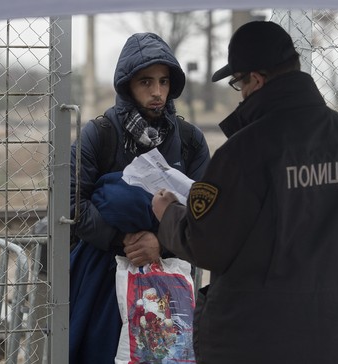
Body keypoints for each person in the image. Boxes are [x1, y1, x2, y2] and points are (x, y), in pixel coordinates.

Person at [152, 21, 338, 364]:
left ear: (257, 80)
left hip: (255, 340)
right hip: (337, 335)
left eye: (238, 83)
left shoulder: (244, 153)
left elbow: (205, 245)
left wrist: (168, 213)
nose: (241, 93)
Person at [69, 32, 210, 364]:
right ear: (127, 85)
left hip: (167, 281)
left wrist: (161, 245)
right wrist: (124, 241)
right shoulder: (100, 133)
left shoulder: (189, 140)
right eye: (146, 81)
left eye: (163, 81)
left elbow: (205, 214)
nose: (157, 91)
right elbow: (72, 204)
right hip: (103, 280)